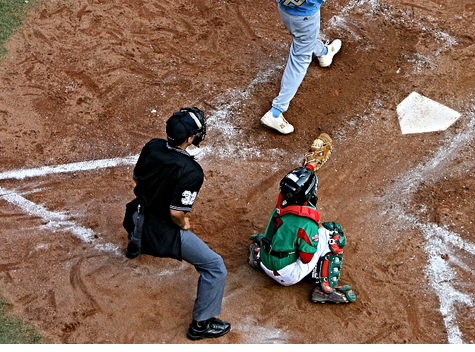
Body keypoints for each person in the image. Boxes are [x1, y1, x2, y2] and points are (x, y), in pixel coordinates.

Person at [123, 107, 231, 340]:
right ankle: (201, 325)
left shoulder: (152, 146)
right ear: (190, 139)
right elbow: (175, 213)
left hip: (134, 218)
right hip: (160, 234)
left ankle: (134, 246)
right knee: (215, 266)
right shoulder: (192, 171)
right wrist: (183, 224)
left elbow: (136, 177)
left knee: (143, 210)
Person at [247, 134, 356, 303]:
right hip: (287, 275)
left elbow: (296, 185)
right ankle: (325, 289)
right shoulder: (306, 222)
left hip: (264, 259)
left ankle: (257, 254)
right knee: (333, 233)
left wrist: (310, 165)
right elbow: (306, 257)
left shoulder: (283, 197)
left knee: (283, 231)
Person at [260, 0, 349, 135]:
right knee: (300, 59)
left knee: (305, 41)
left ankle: (324, 52)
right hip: (305, 21)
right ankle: (276, 112)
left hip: (285, 13)